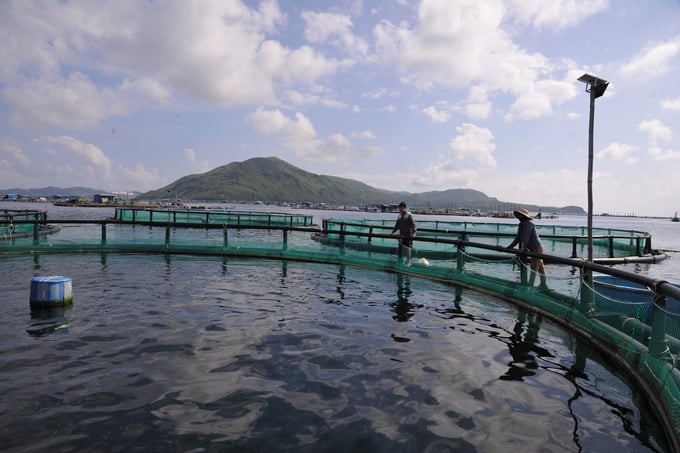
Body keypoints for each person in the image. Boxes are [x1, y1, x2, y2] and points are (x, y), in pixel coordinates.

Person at [507, 208, 547, 288]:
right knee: (540, 268)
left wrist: (523, 247)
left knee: (534, 268)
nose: (518, 217)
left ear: (523, 216)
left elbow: (527, 237)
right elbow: (518, 238)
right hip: (531, 249)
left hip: (537, 248)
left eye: (520, 215)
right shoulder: (521, 225)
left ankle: (530, 286)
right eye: (518, 215)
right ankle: (543, 284)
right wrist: (510, 247)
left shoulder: (529, 224)